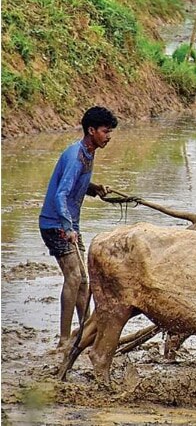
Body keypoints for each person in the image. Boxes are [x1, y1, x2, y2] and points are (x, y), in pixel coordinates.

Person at [39, 106, 117, 349]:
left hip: (69, 223)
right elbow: (61, 195)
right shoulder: (76, 156)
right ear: (91, 131)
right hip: (56, 223)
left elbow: (75, 185)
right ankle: (63, 339)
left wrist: (94, 188)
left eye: (110, 132)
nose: (109, 136)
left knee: (84, 280)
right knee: (74, 277)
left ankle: (84, 333)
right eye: (105, 131)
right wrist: (67, 227)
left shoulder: (88, 153)